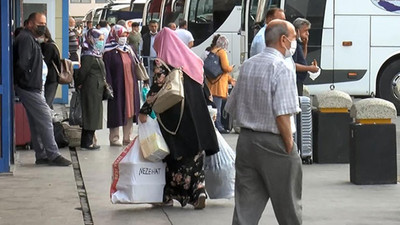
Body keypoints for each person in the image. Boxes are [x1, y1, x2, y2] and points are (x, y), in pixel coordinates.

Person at [225, 19, 302, 225]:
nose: (297, 42)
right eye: (294, 38)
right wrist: (289, 146)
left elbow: (231, 106)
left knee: (245, 207)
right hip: (275, 141)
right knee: (288, 207)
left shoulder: (249, 64)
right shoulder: (282, 67)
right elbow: (283, 114)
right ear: (284, 40)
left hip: (247, 140)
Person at [138, 28, 219, 209]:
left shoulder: (163, 62)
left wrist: (144, 110)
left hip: (175, 116)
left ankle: (167, 195)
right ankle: (198, 191)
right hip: (197, 114)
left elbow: (156, 88)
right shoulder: (192, 59)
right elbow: (204, 89)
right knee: (195, 153)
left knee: (174, 155)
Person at [14, 12, 71, 166]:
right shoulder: (26, 39)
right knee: (46, 118)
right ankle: (53, 154)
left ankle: (41, 154)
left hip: (31, 86)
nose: (43, 27)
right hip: (29, 87)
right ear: (30, 23)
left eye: (44, 24)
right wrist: (25, 80)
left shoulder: (30, 39)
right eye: (40, 24)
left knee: (35, 121)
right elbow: (22, 64)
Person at [103, 25, 141, 146]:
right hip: (117, 86)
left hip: (131, 85)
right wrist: (108, 86)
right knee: (116, 111)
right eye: (122, 34)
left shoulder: (130, 49)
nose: (124, 37)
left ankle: (127, 137)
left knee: (130, 110)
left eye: (125, 34)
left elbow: (136, 64)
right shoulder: (108, 52)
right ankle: (114, 138)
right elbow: (107, 71)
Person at [75, 29, 106, 150]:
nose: (100, 42)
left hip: (96, 89)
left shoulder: (96, 53)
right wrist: (79, 84)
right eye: (99, 39)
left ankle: (89, 141)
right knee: (91, 114)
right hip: (90, 89)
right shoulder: (88, 55)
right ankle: (87, 142)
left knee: (94, 114)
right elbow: (83, 73)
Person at [206, 35, 236, 134]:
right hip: (218, 85)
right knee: (217, 108)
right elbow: (225, 68)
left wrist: (230, 79)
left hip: (211, 83)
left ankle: (215, 125)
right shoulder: (222, 52)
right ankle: (218, 126)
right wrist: (232, 67)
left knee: (214, 105)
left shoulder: (213, 51)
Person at [292, 17, 319, 96]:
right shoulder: (293, 43)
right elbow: (292, 65)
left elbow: (302, 58)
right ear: (297, 31)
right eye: (305, 31)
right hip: (295, 80)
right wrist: (309, 68)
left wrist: (305, 45)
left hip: (300, 81)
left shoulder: (299, 42)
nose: (307, 34)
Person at [40, 27, 61, 109]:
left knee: (47, 102)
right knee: (47, 101)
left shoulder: (49, 47)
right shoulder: (46, 45)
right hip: (50, 77)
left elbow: (45, 62)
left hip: (51, 77)